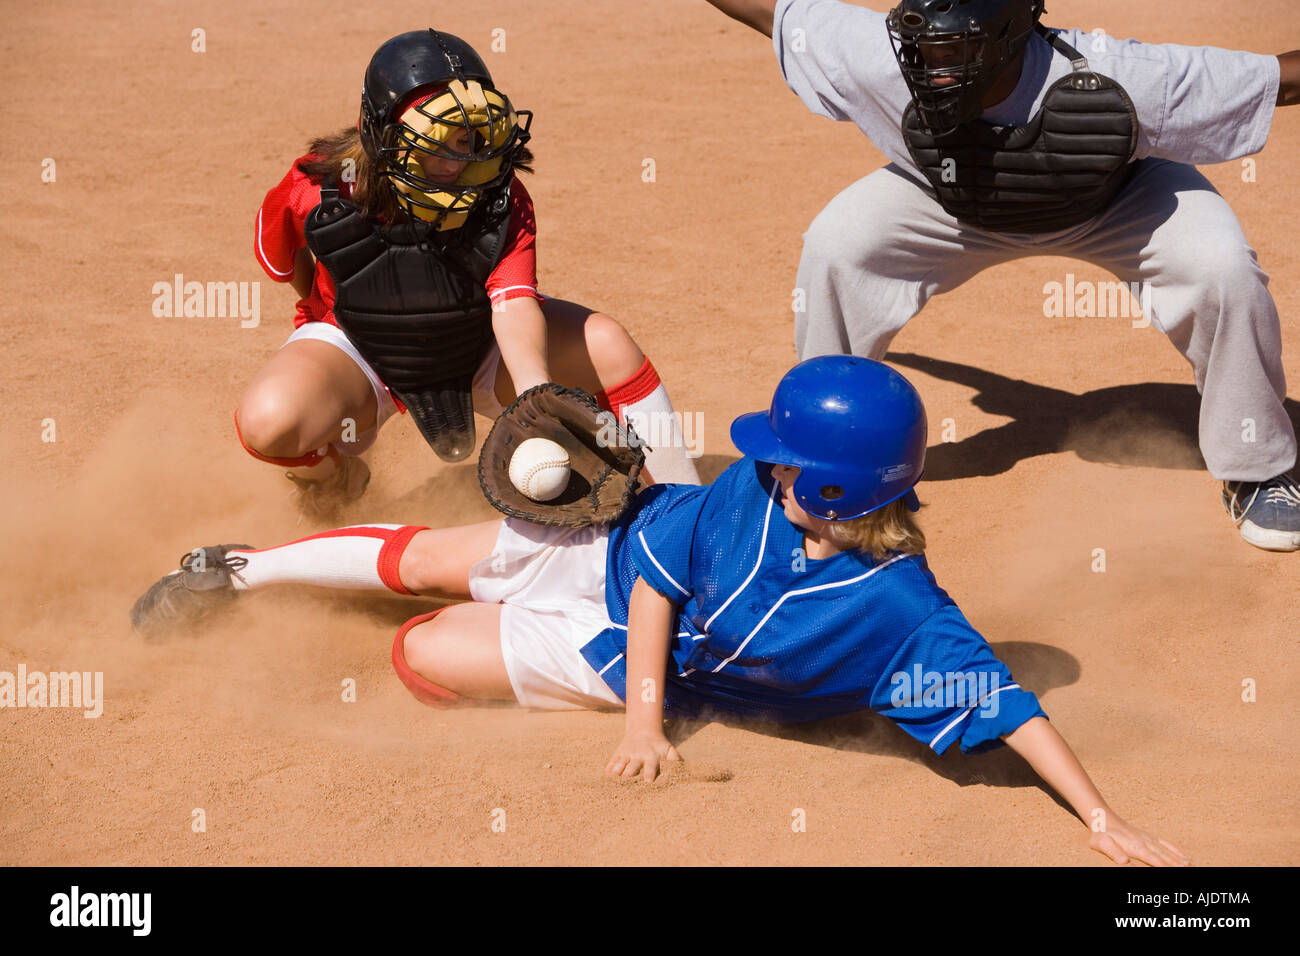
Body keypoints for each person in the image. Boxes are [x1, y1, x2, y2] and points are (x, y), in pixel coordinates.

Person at [131, 356, 1186, 866]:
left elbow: (1008, 706)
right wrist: (644, 725)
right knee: (425, 559)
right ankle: (238, 569)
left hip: (607, 650)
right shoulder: (744, 490)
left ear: (826, 489)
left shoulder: (902, 614)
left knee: (422, 655)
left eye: (781, 456)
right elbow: (657, 578)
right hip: (609, 545)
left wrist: (1099, 816)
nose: (758, 455)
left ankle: (390, 617)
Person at [703, 0, 1300, 552]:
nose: (932, 65)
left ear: (1011, 37)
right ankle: (815, 448)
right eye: (923, 48)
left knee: (1221, 266)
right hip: (949, 199)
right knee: (840, 246)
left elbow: (1278, 80)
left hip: (1120, 201)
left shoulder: (1122, 76)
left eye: (953, 51)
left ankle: (1258, 465)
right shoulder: (875, 53)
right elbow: (766, 8)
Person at [244, 28, 698, 517]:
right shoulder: (316, 189)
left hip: (477, 344)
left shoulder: (500, 196)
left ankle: (686, 512)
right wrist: (318, 307)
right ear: (382, 132)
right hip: (359, 347)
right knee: (269, 421)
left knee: (608, 344)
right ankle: (337, 479)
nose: (457, 160)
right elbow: (287, 261)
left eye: (467, 138)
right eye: (435, 142)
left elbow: (513, 302)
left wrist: (536, 400)